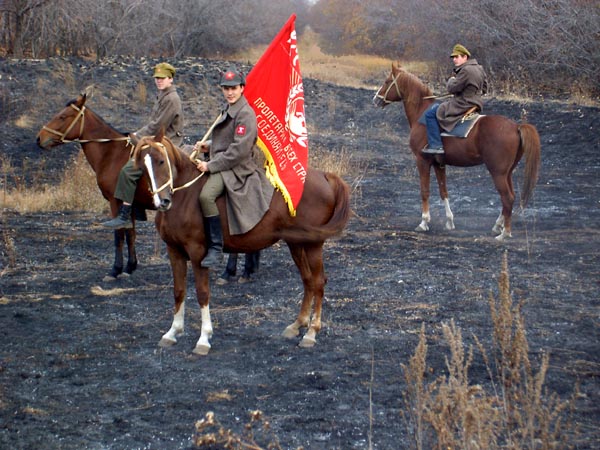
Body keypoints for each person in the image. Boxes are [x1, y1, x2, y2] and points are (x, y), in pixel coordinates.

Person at [195, 65, 274, 268]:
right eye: (226, 88)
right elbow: (227, 140)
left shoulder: (245, 114)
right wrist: (208, 146)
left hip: (237, 168)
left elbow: (239, 150)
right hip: (224, 161)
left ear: (241, 88)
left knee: (206, 196)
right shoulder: (229, 108)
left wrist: (210, 165)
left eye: (233, 88)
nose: (229, 92)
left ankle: (215, 246)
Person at [102, 62, 184, 228]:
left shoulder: (171, 99)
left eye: (162, 78)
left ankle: (125, 215)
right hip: (157, 141)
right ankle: (136, 207)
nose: (159, 81)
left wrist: (136, 137)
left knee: (128, 171)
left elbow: (157, 126)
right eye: (157, 78)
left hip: (166, 143)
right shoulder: (163, 95)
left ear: (171, 79)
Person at [422, 44, 488, 155]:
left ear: (465, 57)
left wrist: (451, 79)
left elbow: (452, 88)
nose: (454, 59)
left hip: (463, 103)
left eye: (457, 57)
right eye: (453, 57)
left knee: (430, 113)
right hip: (476, 103)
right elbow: (485, 88)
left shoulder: (465, 70)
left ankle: (436, 145)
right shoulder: (479, 68)